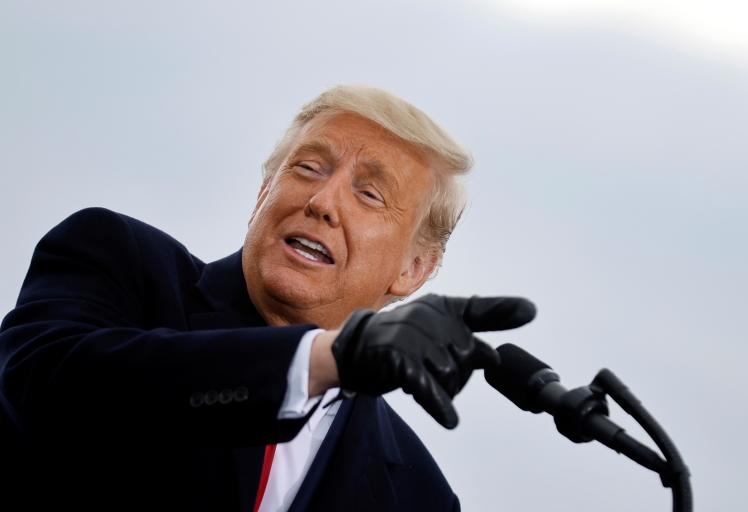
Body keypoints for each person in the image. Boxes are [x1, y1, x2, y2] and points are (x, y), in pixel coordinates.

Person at [0, 84, 535, 511]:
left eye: (369, 194)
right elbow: (45, 381)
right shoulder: (120, 259)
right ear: (263, 193)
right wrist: (323, 360)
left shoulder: (422, 496)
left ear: (414, 269)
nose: (322, 201)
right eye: (308, 168)